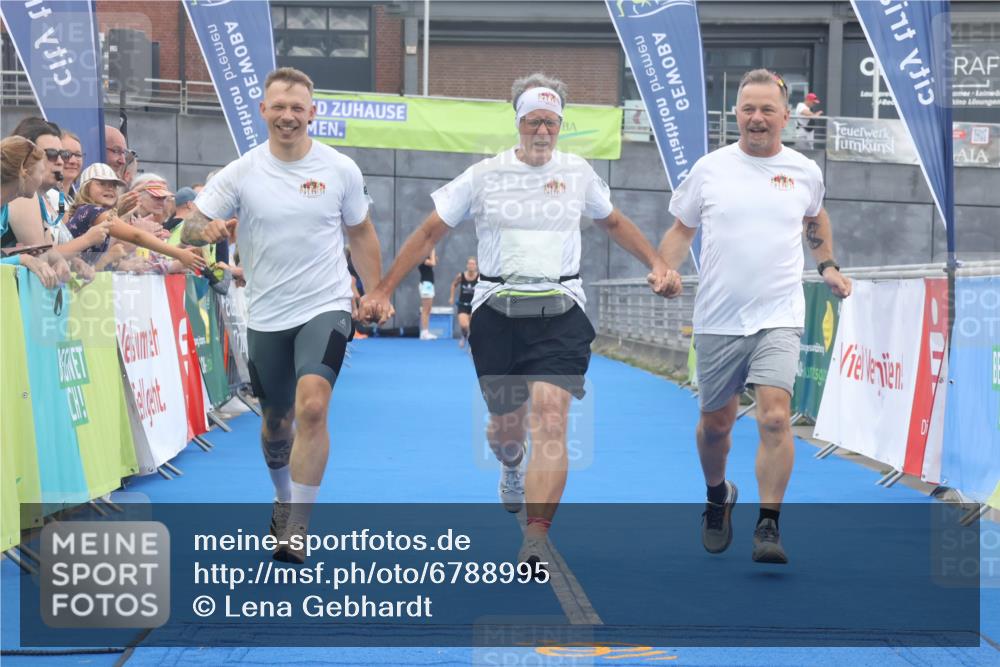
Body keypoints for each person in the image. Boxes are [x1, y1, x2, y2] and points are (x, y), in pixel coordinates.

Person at [362, 72, 676, 569]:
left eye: (551, 122)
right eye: (534, 121)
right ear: (518, 123)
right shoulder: (484, 175)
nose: (543, 131)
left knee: (551, 417)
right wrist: (380, 288)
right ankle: (511, 464)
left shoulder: (578, 173)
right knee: (507, 431)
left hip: (561, 311)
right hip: (498, 315)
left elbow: (613, 222)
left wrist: (657, 264)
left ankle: (536, 535)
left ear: (560, 126)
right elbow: (428, 232)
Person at [180, 67, 384, 564]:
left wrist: (374, 290)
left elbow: (360, 233)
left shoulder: (340, 169)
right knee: (276, 422)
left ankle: (298, 525)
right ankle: (283, 497)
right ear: (263, 112)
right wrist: (202, 233)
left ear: (313, 113)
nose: (288, 117)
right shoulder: (243, 171)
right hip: (267, 312)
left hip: (326, 304)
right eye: (279, 107)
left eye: (298, 108)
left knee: (313, 406)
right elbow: (190, 227)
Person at [656, 69, 851, 565]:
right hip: (719, 318)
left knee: (775, 416)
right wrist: (664, 269)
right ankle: (718, 496)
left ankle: (769, 524)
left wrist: (826, 263)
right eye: (748, 109)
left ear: (786, 116)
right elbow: (682, 229)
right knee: (715, 427)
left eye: (767, 110)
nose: (757, 119)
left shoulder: (804, 170)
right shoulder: (710, 169)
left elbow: (816, 215)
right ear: (736, 115)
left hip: (778, 315)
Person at [64, 163, 205, 273]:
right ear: (86, 187)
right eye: (101, 183)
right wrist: (179, 253)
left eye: (113, 185)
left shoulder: (90, 212)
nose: (109, 188)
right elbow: (136, 236)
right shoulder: (91, 211)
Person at [0, 136, 70, 286]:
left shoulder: (4, 208)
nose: (41, 179)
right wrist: (22, 259)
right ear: (25, 173)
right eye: (40, 171)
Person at [449, 256, 479, 347]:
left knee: (472, 327)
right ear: (467, 265)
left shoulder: (479, 277)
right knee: (464, 325)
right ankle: (464, 335)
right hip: (462, 305)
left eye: (473, 264)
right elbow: (453, 285)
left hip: (474, 305)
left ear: (476, 266)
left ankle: (471, 341)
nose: (471, 265)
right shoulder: (461, 276)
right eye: (469, 263)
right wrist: (451, 297)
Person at [418, 249, 437, 339]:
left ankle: (425, 331)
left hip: (429, 285)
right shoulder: (422, 258)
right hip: (426, 285)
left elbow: (435, 261)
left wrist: (433, 255)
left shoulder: (427, 258)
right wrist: (432, 250)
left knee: (428, 310)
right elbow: (433, 263)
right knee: (425, 310)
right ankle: (424, 332)